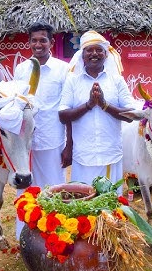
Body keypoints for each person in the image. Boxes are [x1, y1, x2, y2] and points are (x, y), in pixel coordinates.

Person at [13, 21, 69, 239]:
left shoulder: (62, 70)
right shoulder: (21, 69)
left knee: (53, 188)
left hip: (52, 139)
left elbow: (67, 107)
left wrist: (68, 146)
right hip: (25, 142)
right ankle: (25, 237)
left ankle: (54, 236)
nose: (38, 44)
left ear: (51, 43)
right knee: (26, 189)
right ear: (29, 42)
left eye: (43, 40)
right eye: (34, 40)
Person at [58, 30, 136, 187]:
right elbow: (63, 116)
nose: (94, 53)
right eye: (89, 50)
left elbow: (131, 115)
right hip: (82, 157)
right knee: (84, 206)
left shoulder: (117, 80)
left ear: (106, 55)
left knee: (110, 206)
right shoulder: (73, 81)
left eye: (99, 50)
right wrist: (89, 105)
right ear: (82, 55)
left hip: (110, 156)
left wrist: (104, 105)